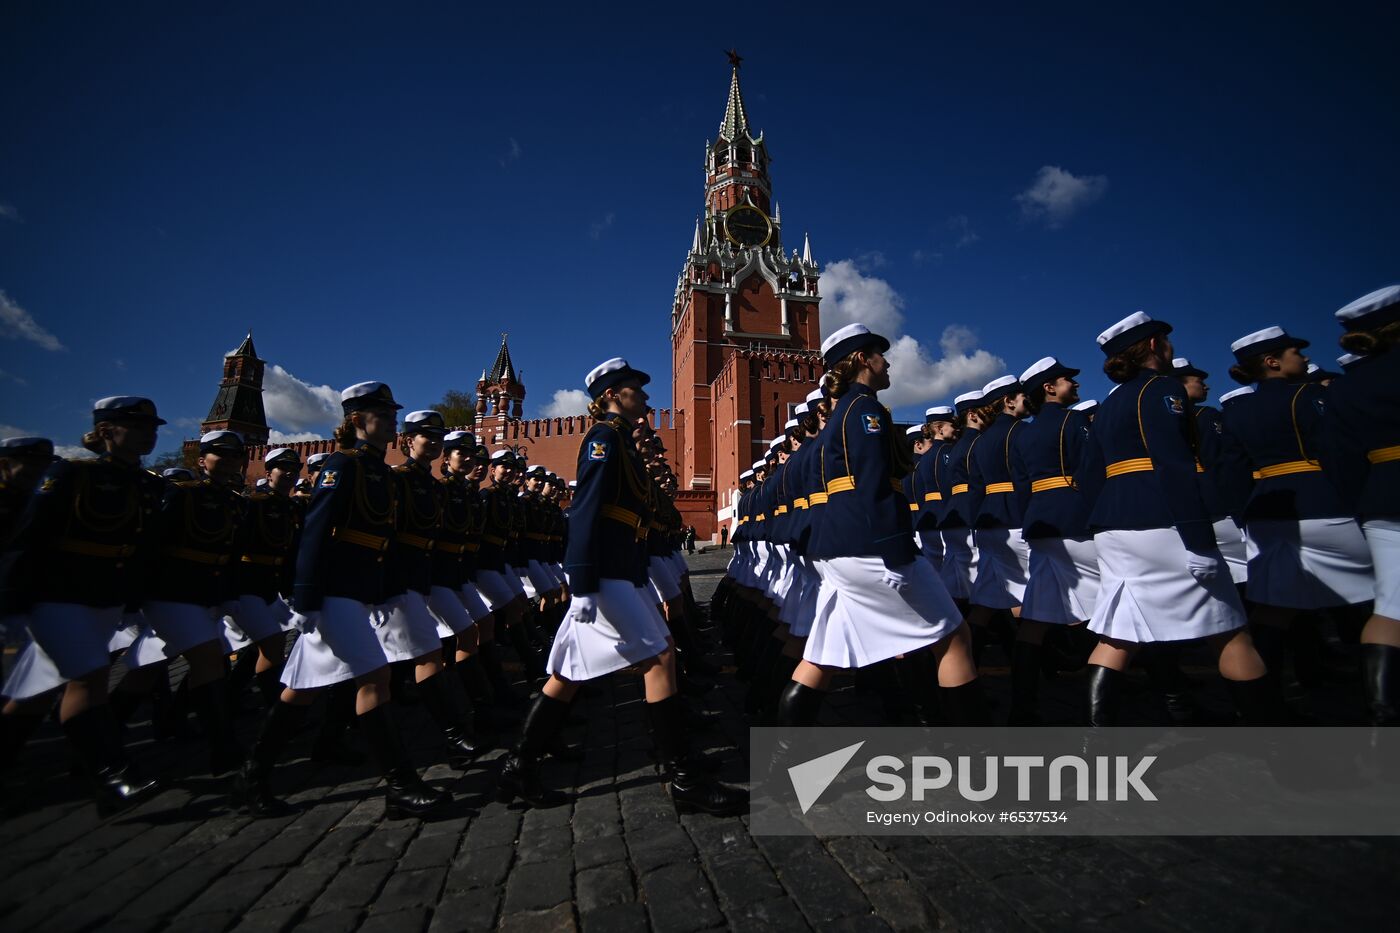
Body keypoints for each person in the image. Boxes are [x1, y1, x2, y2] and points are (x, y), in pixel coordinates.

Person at [497, 357, 747, 815]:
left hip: (620, 570)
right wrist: (584, 581)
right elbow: (587, 511)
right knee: (659, 657)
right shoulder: (604, 439)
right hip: (607, 574)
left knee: (570, 672)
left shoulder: (620, 442)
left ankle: (519, 763)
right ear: (611, 395)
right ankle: (683, 776)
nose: (647, 397)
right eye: (637, 388)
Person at [236, 382, 451, 819]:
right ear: (357, 420)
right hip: (334, 593)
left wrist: (383, 593)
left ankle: (253, 775)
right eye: (384, 415)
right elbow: (315, 534)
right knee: (373, 679)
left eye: (393, 415)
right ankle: (400, 784)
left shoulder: (378, 471)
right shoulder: (343, 465)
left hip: (358, 591)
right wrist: (305, 599)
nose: (393, 422)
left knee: (300, 689)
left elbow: (383, 540)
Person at [1076, 313, 1282, 725]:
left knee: (1118, 636)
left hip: (1115, 525)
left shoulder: (1112, 401)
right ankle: (1276, 749)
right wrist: (1199, 540)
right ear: (1153, 346)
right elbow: (1174, 465)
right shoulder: (1162, 388)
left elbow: (1088, 475)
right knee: (1229, 632)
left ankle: (1096, 746)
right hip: (1164, 522)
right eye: (1166, 342)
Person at [777, 324, 984, 727]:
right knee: (954, 638)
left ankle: (784, 774)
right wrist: (898, 547)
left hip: (838, 547)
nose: (887, 362)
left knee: (821, 660)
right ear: (861, 360)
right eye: (879, 354)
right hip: (871, 546)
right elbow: (873, 485)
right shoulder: (866, 410)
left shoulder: (844, 414)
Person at [0, 398, 166, 812]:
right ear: (106, 430)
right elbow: (28, 539)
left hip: (104, 597)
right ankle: (113, 776)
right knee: (89, 680)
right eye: (136, 425)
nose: (149, 433)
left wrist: (131, 600)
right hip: (58, 595)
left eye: (152, 427)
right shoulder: (70, 473)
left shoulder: (144, 482)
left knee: (37, 692)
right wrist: (11, 604)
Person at [1219, 326, 1375, 683]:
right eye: (1294, 352)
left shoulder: (1238, 412)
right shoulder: (1307, 397)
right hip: (1322, 504)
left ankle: (1263, 693)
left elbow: (1231, 474)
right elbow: (1339, 456)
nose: (1303, 357)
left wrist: (1246, 514)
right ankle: (1380, 696)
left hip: (1263, 511)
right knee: (1377, 602)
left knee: (1276, 608)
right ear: (1272, 362)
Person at [118, 430, 249, 776]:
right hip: (171, 593)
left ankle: (104, 738)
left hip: (205, 595)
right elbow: (149, 546)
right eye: (221, 454)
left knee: (145, 671)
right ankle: (225, 749)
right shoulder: (177, 495)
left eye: (236, 455)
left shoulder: (235, 502)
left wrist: (230, 594)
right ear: (201, 459)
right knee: (210, 660)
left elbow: (231, 555)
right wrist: (133, 598)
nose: (230, 461)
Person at [1322, 284, 1400, 725]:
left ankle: (1381, 715)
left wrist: (1361, 504)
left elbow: (1340, 461)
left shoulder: (1346, 390)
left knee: (1389, 606)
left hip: (1381, 497)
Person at [385, 410, 480, 766]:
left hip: (427, 576)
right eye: (429, 437)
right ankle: (455, 730)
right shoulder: (399, 480)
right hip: (400, 578)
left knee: (379, 667)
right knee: (420, 656)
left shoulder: (430, 486)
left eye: (440, 439)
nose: (436, 444)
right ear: (409, 441)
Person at [1009, 356, 1098, 725]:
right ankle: (1105, 701)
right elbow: (1092, 471)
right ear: (1049, 388)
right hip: (1075, 517)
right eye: (1067, 380)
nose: (1074, 385)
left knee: (1036, 617)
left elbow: (1019, 484)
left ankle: (1023, 705)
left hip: (1039, 521)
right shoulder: (1074, 421)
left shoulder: (1023, 433)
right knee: (1116, 610)